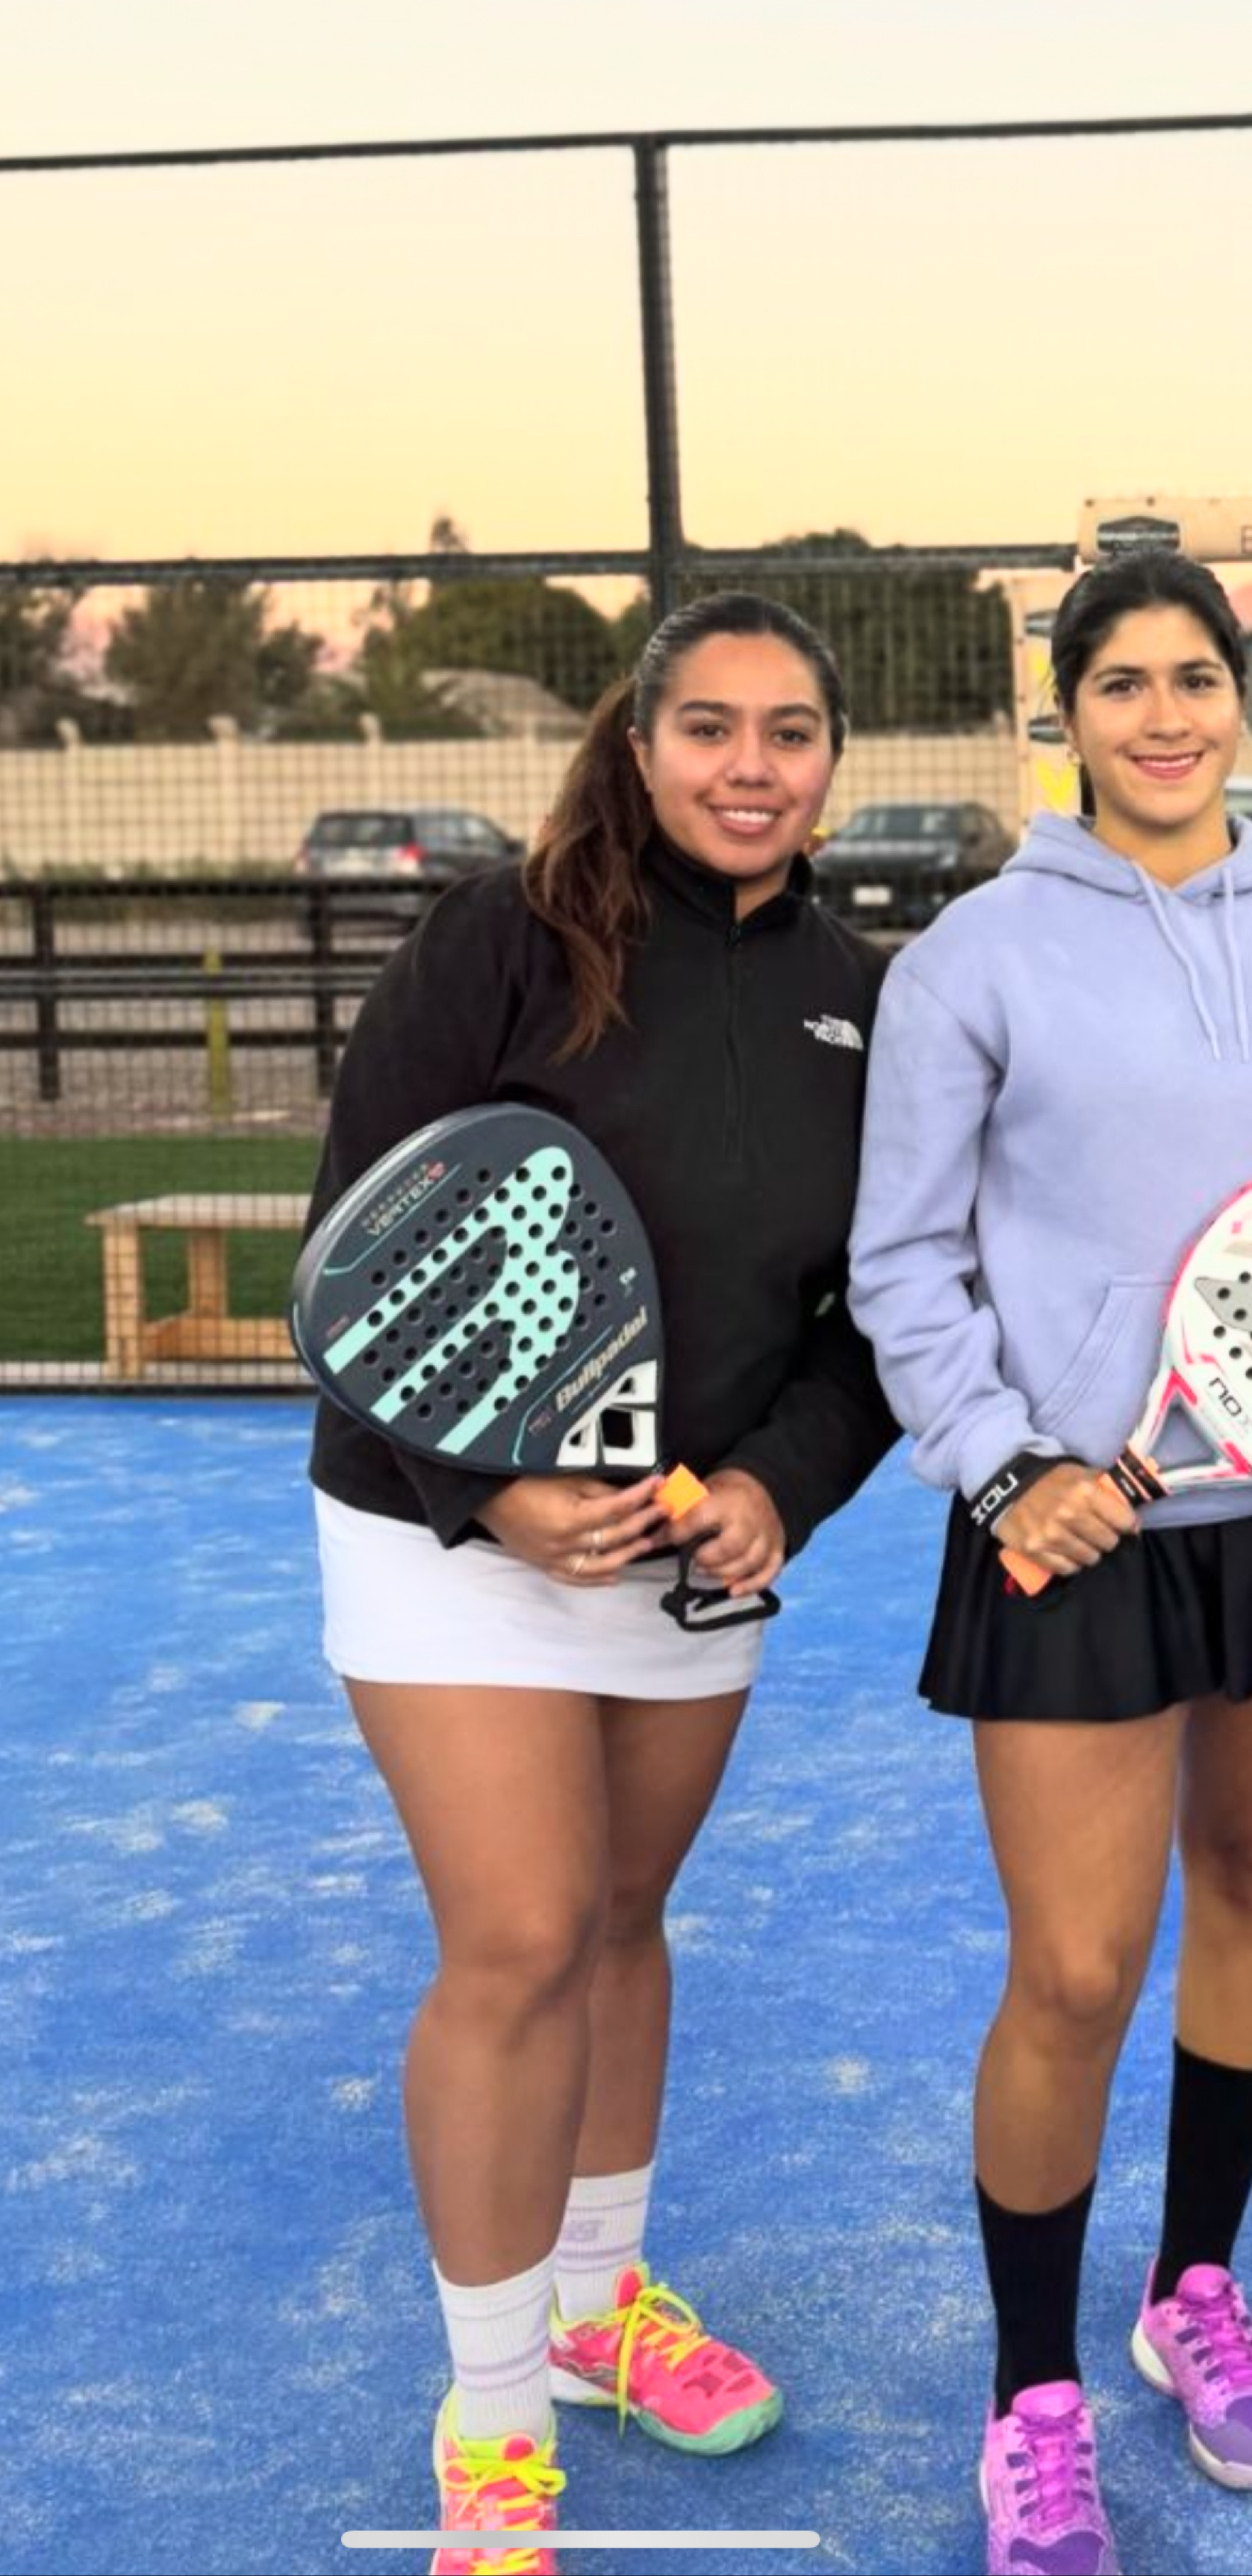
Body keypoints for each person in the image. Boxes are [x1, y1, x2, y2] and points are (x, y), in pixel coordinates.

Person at [304, 591, 897, 2574]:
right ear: (639, 748)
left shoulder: (858, 996)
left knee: (628, 1919)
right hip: (442, 1535)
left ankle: (596, 2309)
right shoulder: (499, 938)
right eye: (710, 726)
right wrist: (491, 1492)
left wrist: (779, 1488)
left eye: (790, 731)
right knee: (526, 1935)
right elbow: (360, 1241)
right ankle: (490, 2424)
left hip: (686, 1551)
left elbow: (871, 1316)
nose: (751, 765)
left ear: (831, 760)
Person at [848, 550, 1252, 2576]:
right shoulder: (974, 960)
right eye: (1123, 685)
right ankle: (1032, 2399)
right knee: (1078, 1972)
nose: (1165, 717)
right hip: (1074, 1525)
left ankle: (1197, 2297)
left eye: (1198, 678)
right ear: (1066, 715)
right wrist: (1007, 1468)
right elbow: (901, 1262)